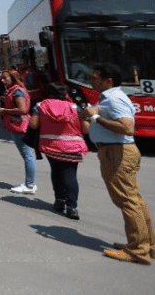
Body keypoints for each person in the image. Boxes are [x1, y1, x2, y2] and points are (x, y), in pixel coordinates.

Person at [81, 64, 155, 265]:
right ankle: (146, 245)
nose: (90, 81)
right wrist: (91, 116)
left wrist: (95, 117)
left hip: (116, 153)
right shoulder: (109, 98)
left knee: (128, 201)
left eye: (94, 78)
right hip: (116, 151)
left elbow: (127, 128)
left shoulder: (114, 99)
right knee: (134, 200)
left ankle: (138, 250)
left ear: (108, 81)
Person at [29, 83, 89, 220]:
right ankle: (72, 207)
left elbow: (33, 125)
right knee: (70, 175)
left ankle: (59, 200)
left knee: (56, 172)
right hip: (72, 148)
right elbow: (86, 129)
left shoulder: (40, 106)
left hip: (50, 146)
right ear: (65, 94)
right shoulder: (75, 108)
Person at [0, 69, 36, 194]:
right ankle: (29, 183)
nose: (2, 80)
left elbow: (22, 109)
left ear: (12, 78)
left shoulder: (17, 91)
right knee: (27, 155)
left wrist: (4, 111)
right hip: (18, 125)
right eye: (2, 78)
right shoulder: (16, 90)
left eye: (5, 78)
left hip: (19, 126)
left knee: (27, 156)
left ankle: (30, 185)